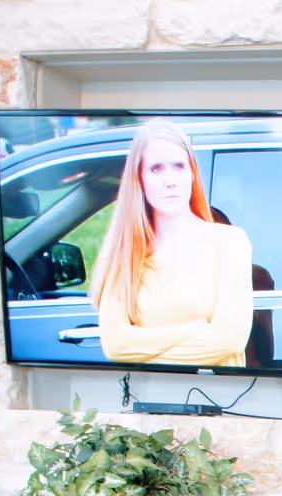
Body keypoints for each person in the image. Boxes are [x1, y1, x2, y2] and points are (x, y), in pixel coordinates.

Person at [92, 123, 255, 368]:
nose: (170, 181)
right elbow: (116, 345)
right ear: (140, 179)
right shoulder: (125, 254)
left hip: (219, 399)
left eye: (179, 167)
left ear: (192, 173)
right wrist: (197, 328)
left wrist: (144, 350)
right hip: (148, 398)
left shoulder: (229, 242)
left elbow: (229, 341)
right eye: (156, 169)